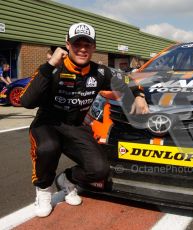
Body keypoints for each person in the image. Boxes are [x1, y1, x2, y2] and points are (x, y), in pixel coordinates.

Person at [20, 22, 149, 217]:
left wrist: (139, 95)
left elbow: (127, 80)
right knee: (48, 148)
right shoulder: (52, 68)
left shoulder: (100, 72)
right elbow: (26, 101)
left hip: (75, 126)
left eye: (87, 45)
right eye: (76, 44)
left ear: (94, 47)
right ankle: (43, 190)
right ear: (67, 45)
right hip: (47, 124)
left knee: (99, 170)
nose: (82, 49)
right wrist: (49, 65)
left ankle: (67, 179)